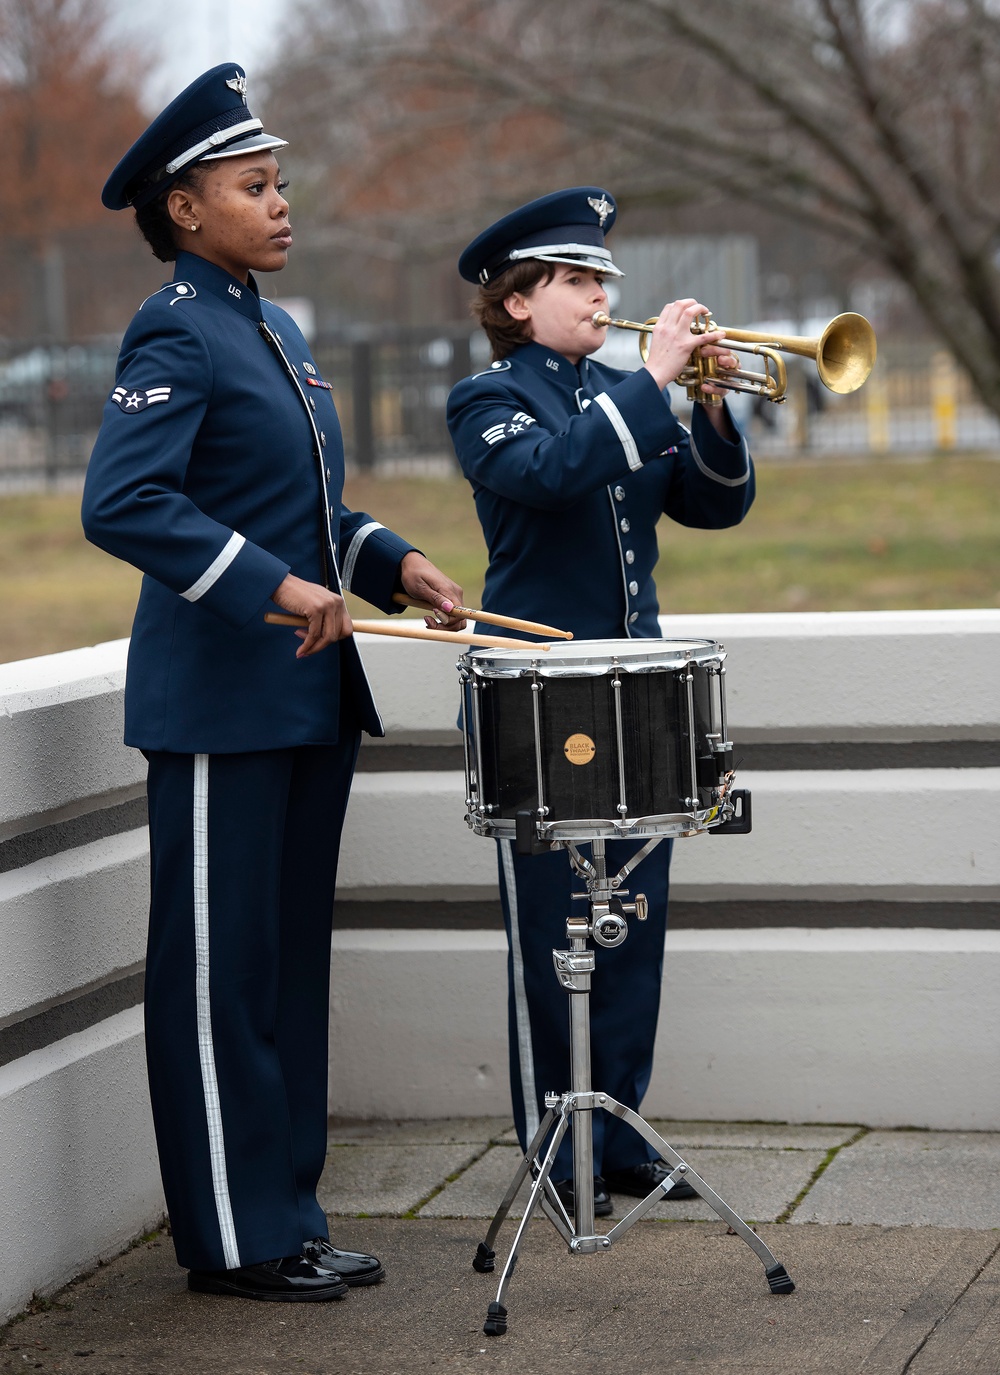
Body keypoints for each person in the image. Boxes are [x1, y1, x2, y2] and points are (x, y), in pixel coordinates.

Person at [82, 64, 465, 1302]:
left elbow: (306, 512)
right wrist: (272, 586)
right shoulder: (176, 327)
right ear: (184, 209)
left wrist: (391, 563)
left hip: (306, 697)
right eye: (255, 188)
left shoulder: (272, 329)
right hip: (218, 707)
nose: (283, 203)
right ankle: (231, 1237)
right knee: (216, 978)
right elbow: (125, 502)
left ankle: (287, 1214)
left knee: (287, 971)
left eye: (281, 182)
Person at [446, 187, 755, 1217]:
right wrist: (655, 380)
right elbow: (547, 474)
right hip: (537, 698)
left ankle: (619, 1137)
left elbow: (715, 504)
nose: (600, 295)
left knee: (630, 917)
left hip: (639, 691)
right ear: (519, 302)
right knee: (553, 926)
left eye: (601, 279)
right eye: (579, 281)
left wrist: (706, 403)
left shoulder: (628, 394)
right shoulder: (488, 400)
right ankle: (554, 1146)